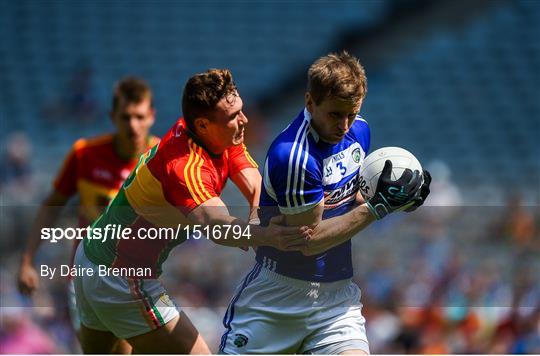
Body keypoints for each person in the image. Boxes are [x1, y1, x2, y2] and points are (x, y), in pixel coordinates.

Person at [73, 69, 311, 354]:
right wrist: (267, 236)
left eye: (241, 110)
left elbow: (251, 178)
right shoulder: (186, 168)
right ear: (203, 125)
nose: (244, 120)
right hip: (122, 278)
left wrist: (257, 217)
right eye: (234, 116)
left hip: (91, 257)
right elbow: (216, 224)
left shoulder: (215, 133)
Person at [220, 51, 431, 354]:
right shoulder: (293, 157)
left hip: (335, 300)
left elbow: (352, 198)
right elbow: (310, 241)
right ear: (310, 102)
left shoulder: (360, 131)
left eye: (352, 113)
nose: (344, 125)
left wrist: (399, 196)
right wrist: (378, 208)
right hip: (277, 301)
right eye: (335, 114)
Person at [17, 77, 160, 354]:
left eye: (139, 117)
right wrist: (27, 260)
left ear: (151, 116)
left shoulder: (160, 159)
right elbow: (52, 206)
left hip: (138, 277)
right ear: (112, 117)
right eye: (125, 117)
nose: (133, 125)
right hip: (85, 277)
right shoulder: (85, 155)